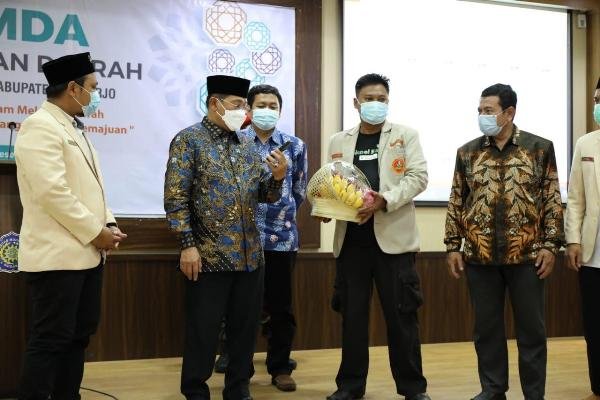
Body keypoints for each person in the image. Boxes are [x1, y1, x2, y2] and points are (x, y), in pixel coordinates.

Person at [164, 75, 287, 400]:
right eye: (237, 104)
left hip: (250, 257)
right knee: (203, 332)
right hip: (207, 256)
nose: (243, 111)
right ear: (214, 104)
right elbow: (175, 198)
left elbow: (264, 195)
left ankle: (238, 390)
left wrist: (277, 178)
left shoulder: (247, 144)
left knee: (244, 332)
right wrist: (187, 245)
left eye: (245, 105)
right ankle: (195, 391)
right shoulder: (189, 140)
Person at [14, 52, 126, 400]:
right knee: (50, 340)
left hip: (87, 256)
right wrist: (96, 233)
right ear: (74, 88)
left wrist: (109, 223)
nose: (96, 94)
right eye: (93, 86)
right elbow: (53, 193)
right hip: (58, 258)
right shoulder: (40, 125)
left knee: (78, 337)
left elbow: (91, 187)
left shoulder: (73, 126)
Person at [444, 83, 564, 400]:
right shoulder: (467, 152)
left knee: (532, 331)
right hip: (479, 257)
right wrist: (453, 246)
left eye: (489, 110)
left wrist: (551, 245)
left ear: (509, 113)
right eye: (479, 110)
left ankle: (534, 394)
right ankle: (493, 389)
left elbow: (552, 199)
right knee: (486, 330)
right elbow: (456, 200)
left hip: (527, 257)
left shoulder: (539, 148)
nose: (482, 115)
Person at [323, 73, 430, 400]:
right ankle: (350, 387)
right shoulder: (338, 141)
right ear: (356, 103)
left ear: (388, 102)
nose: (375, 104)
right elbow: (332, 183)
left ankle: (413, 388)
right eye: (369, 99)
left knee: (402, 318)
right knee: (352, 319)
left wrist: (384, 200)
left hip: (394, 243)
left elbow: (419, 177)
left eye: (381, 99)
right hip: (351, 244)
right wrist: (326, 206)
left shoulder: (405, 135)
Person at [214, 84, 307, 392]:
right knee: (242, 309)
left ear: (280, 110)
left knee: (282, 307)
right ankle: (240, 367)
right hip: (244, 240)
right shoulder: (235, 141)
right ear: (249, 110)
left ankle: (280, 367)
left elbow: (299, 190)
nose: (268, 110)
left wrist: (282, 215)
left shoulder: (295, 145)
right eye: (261, 105)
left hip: (282, 239)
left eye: (273, 106)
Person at [565, 77, 600, 400]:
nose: (597, 107)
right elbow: (575, 198)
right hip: (593, 252)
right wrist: (573, 240)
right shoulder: (586, 143)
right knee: (594, 322)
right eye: (596, 100)